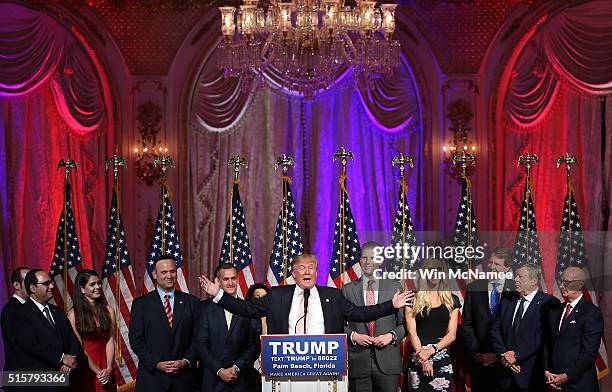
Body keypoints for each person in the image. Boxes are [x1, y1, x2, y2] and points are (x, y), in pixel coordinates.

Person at [198, 253, 413, 335]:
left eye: (311, 267)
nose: (307, 271)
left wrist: (390, 306)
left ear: (316, 272)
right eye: (301, 268)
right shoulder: (277, 295)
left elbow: (359, 313)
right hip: (286, 367)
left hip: (325, 365)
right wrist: (219, 294)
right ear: (293, 273)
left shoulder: (333, 295)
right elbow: (246, 309)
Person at [129, 255, 200, 392]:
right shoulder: (140, 305)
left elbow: (198, 338)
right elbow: (136, 340)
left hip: (184, 380)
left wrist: (185, 361)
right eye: (164, 272)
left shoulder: (192, 303)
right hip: (153, 380)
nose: (169, 276)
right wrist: (156, 364)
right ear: (155, 275)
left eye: (172, 271)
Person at [342, 242, 406, 392]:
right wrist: (354, 336)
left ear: (381, 260)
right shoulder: (348, 289)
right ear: (359, 261)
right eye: (364, 257)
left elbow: (405, 325)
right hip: (358, 363)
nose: (368, 262)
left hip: (388, 362)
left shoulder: (394, 287)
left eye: (372, 257)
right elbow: (337, 324)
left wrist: (391, 336)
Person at [12, 269, 86, 390]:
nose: (52, 286)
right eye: (46, 283)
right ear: (33, 288)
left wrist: (69, 359)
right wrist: (62, 358)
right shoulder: (21, 314)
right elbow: (31, 345)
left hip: (65, 381)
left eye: (51, 282)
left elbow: (72, 340)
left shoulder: (58, 312)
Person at [490, 263, 559, 392]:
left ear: (534, 280)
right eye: (516, 276)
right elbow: (495, 330)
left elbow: (542, 337)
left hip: (531, 375)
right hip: (504, 374)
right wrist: (504, 355)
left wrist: (516, 355)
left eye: (520, 276)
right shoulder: (507, 299)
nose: (515, 279)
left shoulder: (549, 303)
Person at [197, 264, 261, 392]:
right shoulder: (204, 309)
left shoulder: (249, 308)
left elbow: (255, 345)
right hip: (212, 382)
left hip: (242, 381)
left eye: (233, 278)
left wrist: (236, 367)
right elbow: (200, 344)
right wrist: (219, 370)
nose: (231, 283)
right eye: (226, 279)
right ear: (218, 281)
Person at [462, 248, 518, 392]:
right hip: (481, 362)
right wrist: (478, 354)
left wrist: (503, 355)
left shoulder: (516, 289)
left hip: (507, 363)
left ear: (507, 268)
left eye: (497, 264)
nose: (492, 267)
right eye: (490, 263)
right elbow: (467, 325)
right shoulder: (473, 288)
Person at [543, 266, 604, 392]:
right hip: (553, 383)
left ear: (580, 284)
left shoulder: (591, 313)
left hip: (579, 385)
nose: (561, 285)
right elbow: (547, 345)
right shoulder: (555, 311)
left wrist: (566, 376)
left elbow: (588, 354)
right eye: (561, 281)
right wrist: (547, 370)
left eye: (566, 282)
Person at [405, 259, 461, 392]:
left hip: (442, 359)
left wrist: (431, 351)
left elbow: (452, 334)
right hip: (418, 357)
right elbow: (412, 332)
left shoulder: (452, 299)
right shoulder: (412, 299)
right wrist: (423, 359)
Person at [68, 270, 116, 391]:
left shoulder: (109, 310)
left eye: (98, 283)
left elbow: (110, 340)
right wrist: (98, 372)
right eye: (92, 284)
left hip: (106, 366)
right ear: (82, 289)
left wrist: (109, 368)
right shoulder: (73, 315)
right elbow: (79, 347)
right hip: (86, 367)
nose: (98, 287)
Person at [1, 266, 29, 376]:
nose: (33, 285)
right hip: (19, 376)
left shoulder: (29, 308)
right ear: (16, 285)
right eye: (28, 281)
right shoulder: (11, 310)